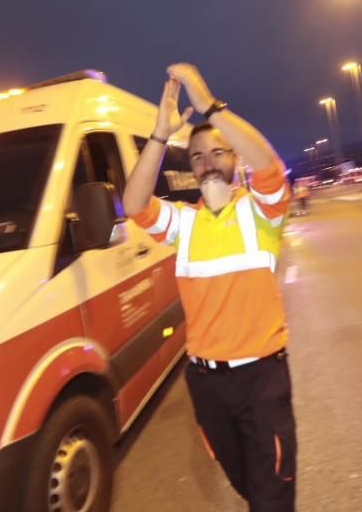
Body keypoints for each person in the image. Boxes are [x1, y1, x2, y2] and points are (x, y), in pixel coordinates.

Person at [122, 63, 297, 512]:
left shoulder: (261, 214)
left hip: (261, 380)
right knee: (247, 486)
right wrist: (160, 136)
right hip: (206, 385)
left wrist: (209, 108)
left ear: (234, 157)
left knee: (271, 498)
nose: (207, 163)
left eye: (217, 152)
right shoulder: (184, 224)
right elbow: (134, 204)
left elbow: (269, 166)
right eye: (197, 156)